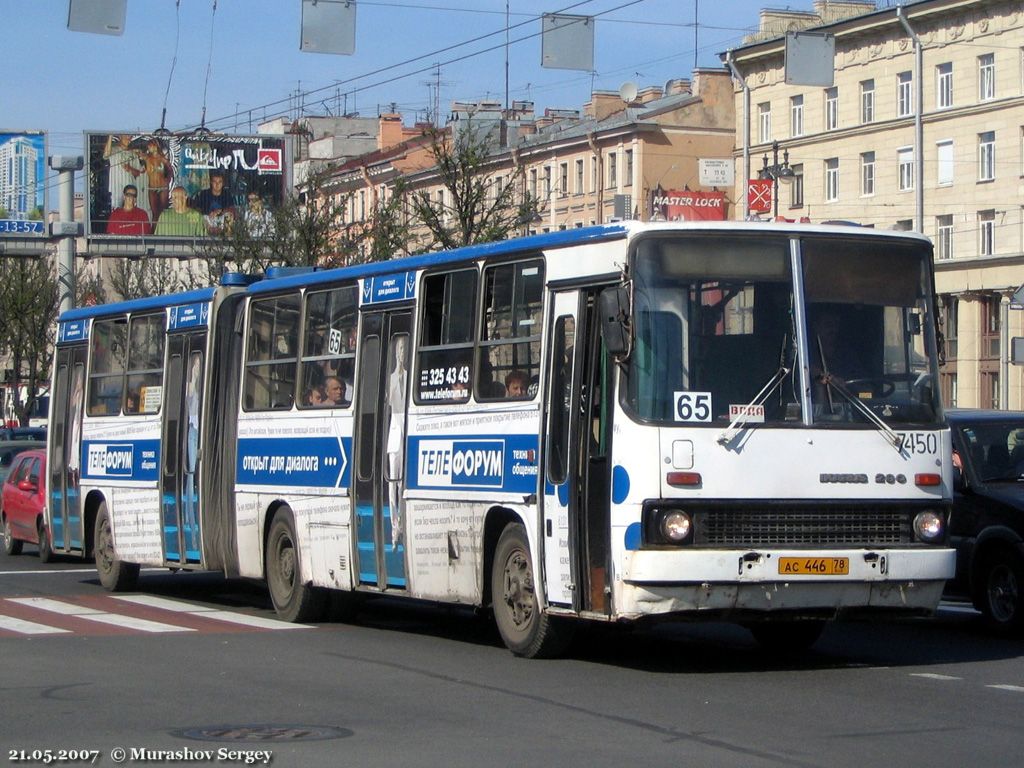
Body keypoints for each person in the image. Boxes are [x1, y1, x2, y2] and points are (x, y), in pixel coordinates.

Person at [103, 134, 147, 219]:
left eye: (130, 137)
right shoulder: (114, 150)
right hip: (116, 189)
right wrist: (110, 135)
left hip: (130, 188)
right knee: (116, 212)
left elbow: (138, 173)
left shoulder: (133, 153)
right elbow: (106, 154)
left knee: (130, 212)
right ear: (120, 137)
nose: (129, 139)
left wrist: (129, 169)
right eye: (127, 136)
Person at [190, 170, 235, 234]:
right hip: (207, 219)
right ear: (211, 182)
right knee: (200, 217)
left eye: (220, 182)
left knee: (229, 215)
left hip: (221, 220)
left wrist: (220, 211)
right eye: (215, 182)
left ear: (223, 183)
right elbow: (197, 208)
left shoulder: (227, 195)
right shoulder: (204, 194)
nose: (217, 184)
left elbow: (231, 209)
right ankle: (204, 235)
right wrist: (208, 213)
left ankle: (227, 237)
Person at [143, 139, 174, 221]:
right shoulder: (147, 158)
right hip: (152, 188)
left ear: (156, 146)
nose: (149, 147)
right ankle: (154, 232)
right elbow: (139, 153)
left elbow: (170, 170)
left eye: (151, 145)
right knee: (154, 213)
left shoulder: (162, 159)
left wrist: (168, 179)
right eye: (148, 145)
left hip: (162, 187)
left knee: (163, 212)